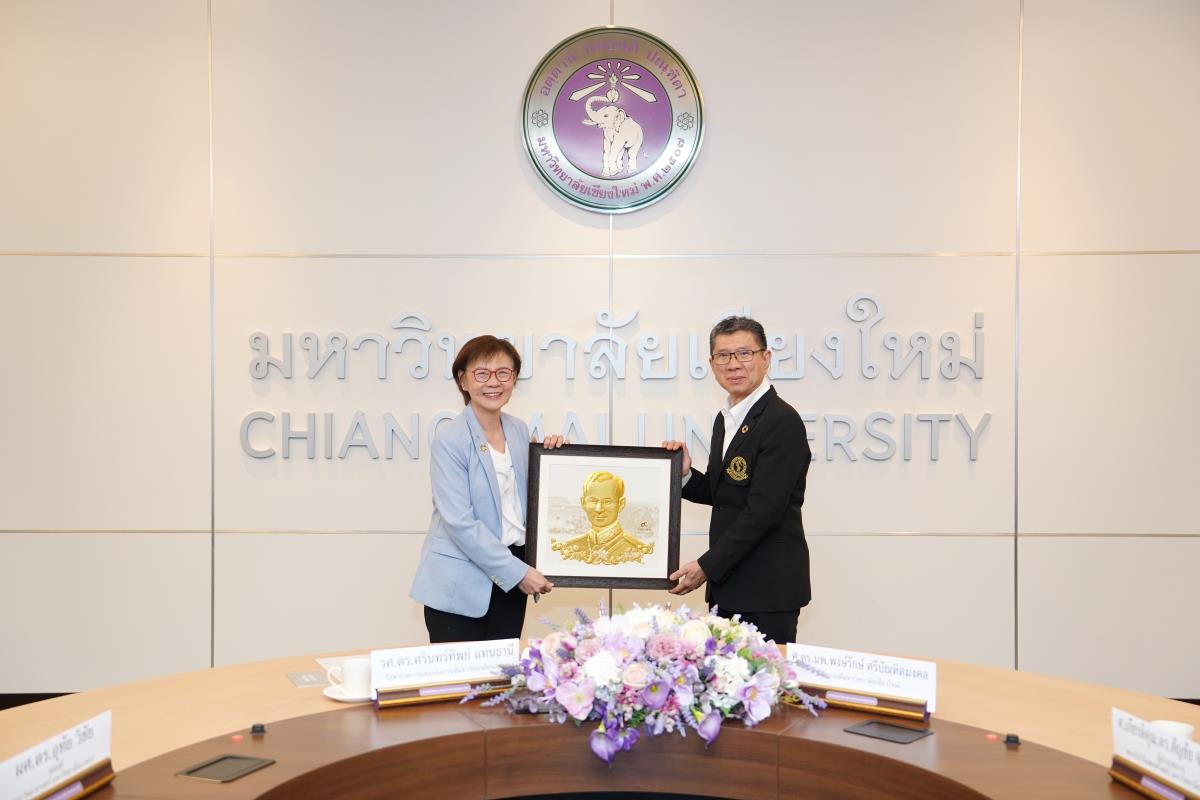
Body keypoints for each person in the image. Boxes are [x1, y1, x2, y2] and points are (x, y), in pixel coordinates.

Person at [662, 316, 812, 645]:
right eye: (723, 355)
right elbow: (724, 493)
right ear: (712, 364)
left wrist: (706, 566)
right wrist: (684, 474)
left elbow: (764, 511)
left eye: (744, 353)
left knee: (764, 677)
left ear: (766, 358)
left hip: (767, 590)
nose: (733, 364)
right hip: (730, 585)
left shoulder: (781, 421)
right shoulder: (727, 418)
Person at [410, 335, 559, 642]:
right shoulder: (450, 440)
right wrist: (517, 572)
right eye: (482, 373)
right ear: (463, 380)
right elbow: (459, 523)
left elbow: (535, 498)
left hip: (511, 578)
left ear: (514, 379)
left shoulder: (518, 430)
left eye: (503, 372)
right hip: (459, 588)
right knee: (460, 675)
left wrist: (556, 457)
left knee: (503, 673)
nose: (493, 382)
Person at [552, 471, 655, 565]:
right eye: (593, 501)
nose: (599, 509)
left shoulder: (639, 552)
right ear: (583, 503)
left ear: (621, 504)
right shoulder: (569, 548)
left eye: (607, 502)